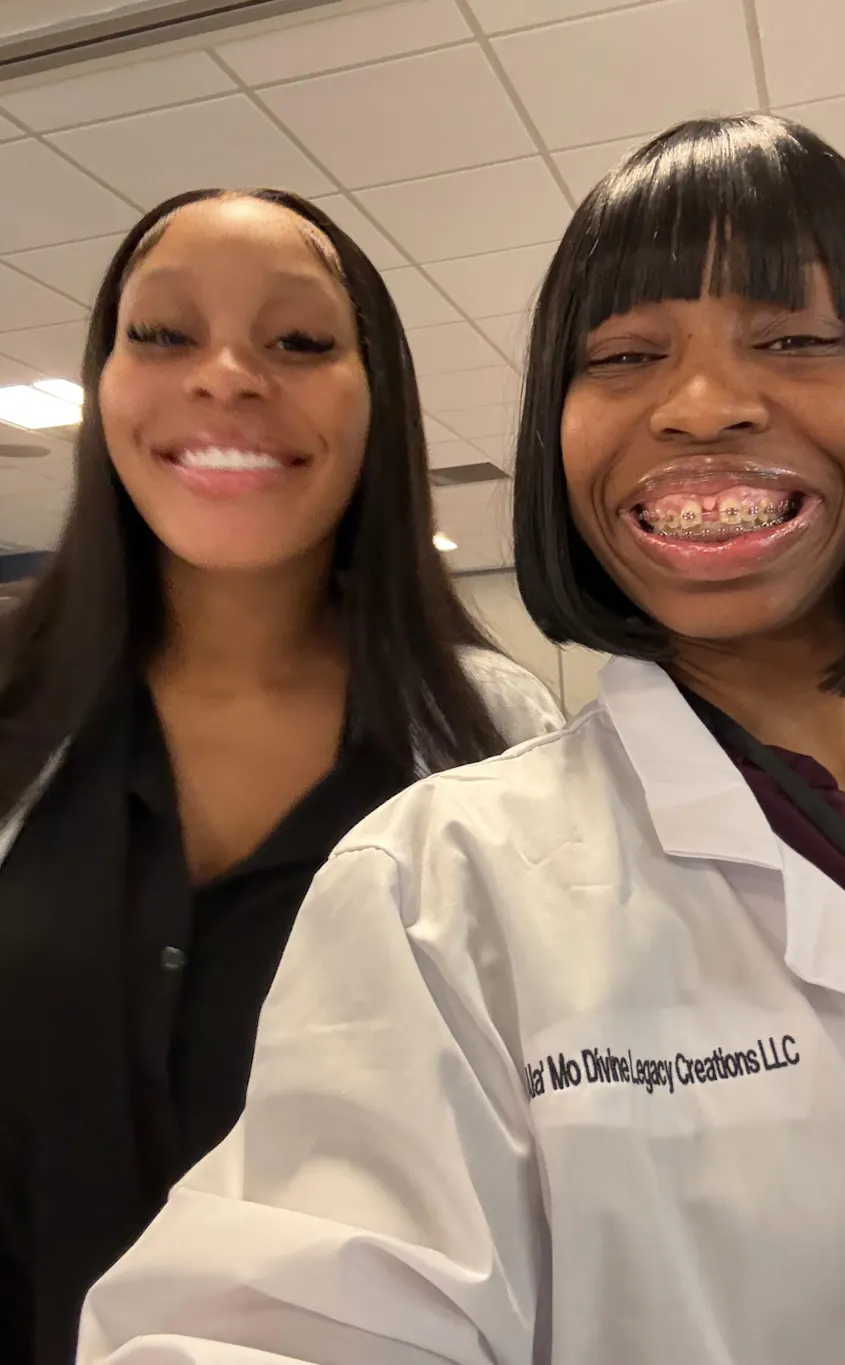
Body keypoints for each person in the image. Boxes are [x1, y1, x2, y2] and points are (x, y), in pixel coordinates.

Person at [79, 118, 845, 1365]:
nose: (701, 405)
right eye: (623, 355)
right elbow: (292, 1318)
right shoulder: (441, 879)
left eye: (794, 339)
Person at [0, 186, 563, 1365]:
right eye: (163, 333)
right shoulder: (12, 710)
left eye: (299, 340)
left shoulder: (492, 738)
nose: (224, 377)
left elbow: (547, 1163)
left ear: (378, 401)